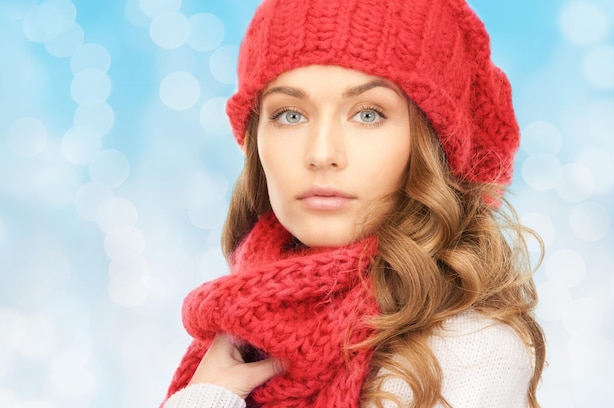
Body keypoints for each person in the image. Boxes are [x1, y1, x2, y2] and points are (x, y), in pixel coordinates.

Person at [161, 0, 546, 407]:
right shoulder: (241, 330)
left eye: (368, 115)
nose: (322, 153)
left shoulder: (471, 350)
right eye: (290, 115)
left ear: (428, 143)